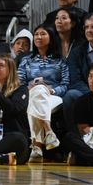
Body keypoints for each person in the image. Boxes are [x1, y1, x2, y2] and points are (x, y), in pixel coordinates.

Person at [17, 25, 69, 161]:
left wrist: (50, 89)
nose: (38, 37)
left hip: (54, 96)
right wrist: (30, 88)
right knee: (37, 91)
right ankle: (48, 132)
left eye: (43, 34)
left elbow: (65, 85)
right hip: (30, 95)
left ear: (51, 38)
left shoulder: (60, 61)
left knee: (39, 93)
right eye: (36, 34)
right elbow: (19, 84)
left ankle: (36, 145)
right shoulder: (26, 60)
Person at [65, 13, 93, 130]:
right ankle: (75, 135)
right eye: (86, 27)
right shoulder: (77, 52)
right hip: (86, 93)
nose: (89, 30)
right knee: (71, 95)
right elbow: (75, 80)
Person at [64, 61, 93, 165]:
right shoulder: (82, 101)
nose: (92, 81)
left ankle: (86, 158)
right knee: (70, 137)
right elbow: (83, 130)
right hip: (91, 140)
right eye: (90, 76)